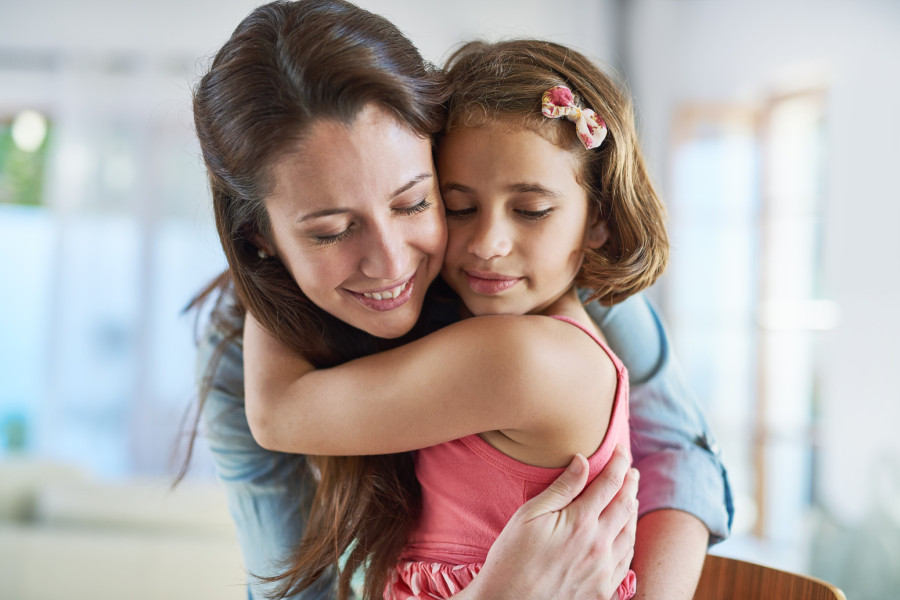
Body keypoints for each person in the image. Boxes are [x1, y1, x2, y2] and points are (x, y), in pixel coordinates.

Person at [189, 1, 732, 599]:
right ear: (258, 238)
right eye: (331, 230)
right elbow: (296, 591)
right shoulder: (240, 356)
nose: (391, 263)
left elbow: (676, 449)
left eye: (414, 203)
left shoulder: (530, 283)